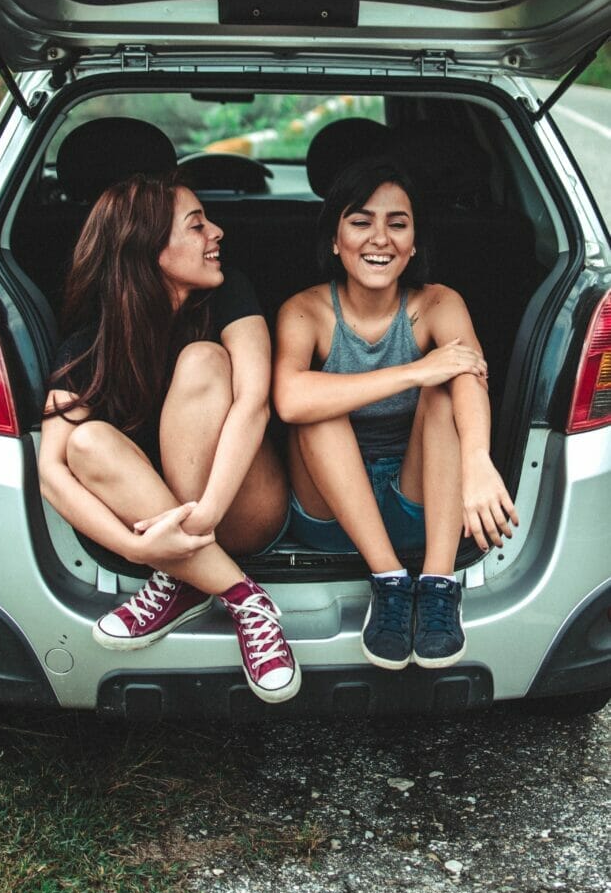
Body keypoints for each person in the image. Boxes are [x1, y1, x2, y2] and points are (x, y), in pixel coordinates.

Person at [38, 172, 301, 704]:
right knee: (83, 443)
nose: (217, 233)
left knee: (203, 359)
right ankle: (240, 596)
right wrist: (140, 547)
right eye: (197, 225)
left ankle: (182, 578)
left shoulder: (230, 297)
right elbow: (51, 472)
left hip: (244, 506)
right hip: (161, 531)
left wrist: (200, 519)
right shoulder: (90, 343)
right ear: (150, 249)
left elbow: (255, 403)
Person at [273, 158, 518, 671]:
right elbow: (290, 400)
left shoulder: (439, 302)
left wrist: (476, 462)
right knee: (320, 406)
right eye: (361, 221)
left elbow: (471, 373)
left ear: (413, 245)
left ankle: (436, 583)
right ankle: (388, 581)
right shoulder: (305, 310)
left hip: (422, 510)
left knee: (448, 390)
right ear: (335, 240)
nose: (379, 238)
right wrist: (414, 371)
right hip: (331, 513)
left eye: (397, 224)